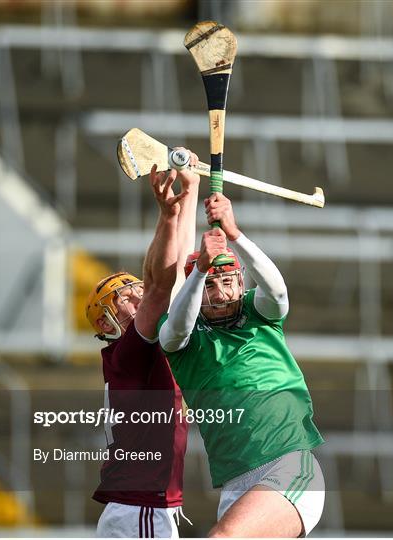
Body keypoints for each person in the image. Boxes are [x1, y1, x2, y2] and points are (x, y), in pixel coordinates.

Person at [159, 192, 325, 537]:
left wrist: (234, 234)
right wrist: (200, 268)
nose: (221, 293)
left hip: (288, 465)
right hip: (235, 484)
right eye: (210, 286)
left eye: (229, 281)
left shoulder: (259, 313)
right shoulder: (184, 342)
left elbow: (278, 292)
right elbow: (175, 329)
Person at [86, 151, 199, 538]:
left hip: (138, 509)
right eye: (126, 299)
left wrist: (191, 192)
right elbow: (160, 286)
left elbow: (175, 273)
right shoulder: (129, 353)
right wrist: (169, 216)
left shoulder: (137, 349)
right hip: (142, 509)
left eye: (136, 291)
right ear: (106, 322)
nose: (137, 299)